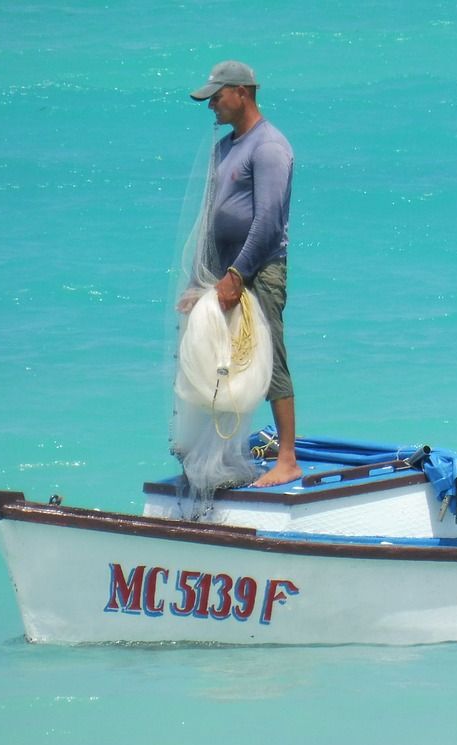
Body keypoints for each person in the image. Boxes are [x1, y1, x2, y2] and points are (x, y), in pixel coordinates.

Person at [189, 60, 302, 487]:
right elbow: (210, 219)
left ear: (242, 92)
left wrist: (238, 274)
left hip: (262, 269)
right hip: (225, 271)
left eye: (216, 96)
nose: (211, 105)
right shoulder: (224, 148)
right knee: (219, 358)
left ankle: (288, 457)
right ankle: (223, 453)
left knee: (269, 354)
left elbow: (268, 220)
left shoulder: (269, 146)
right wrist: (198, 281)